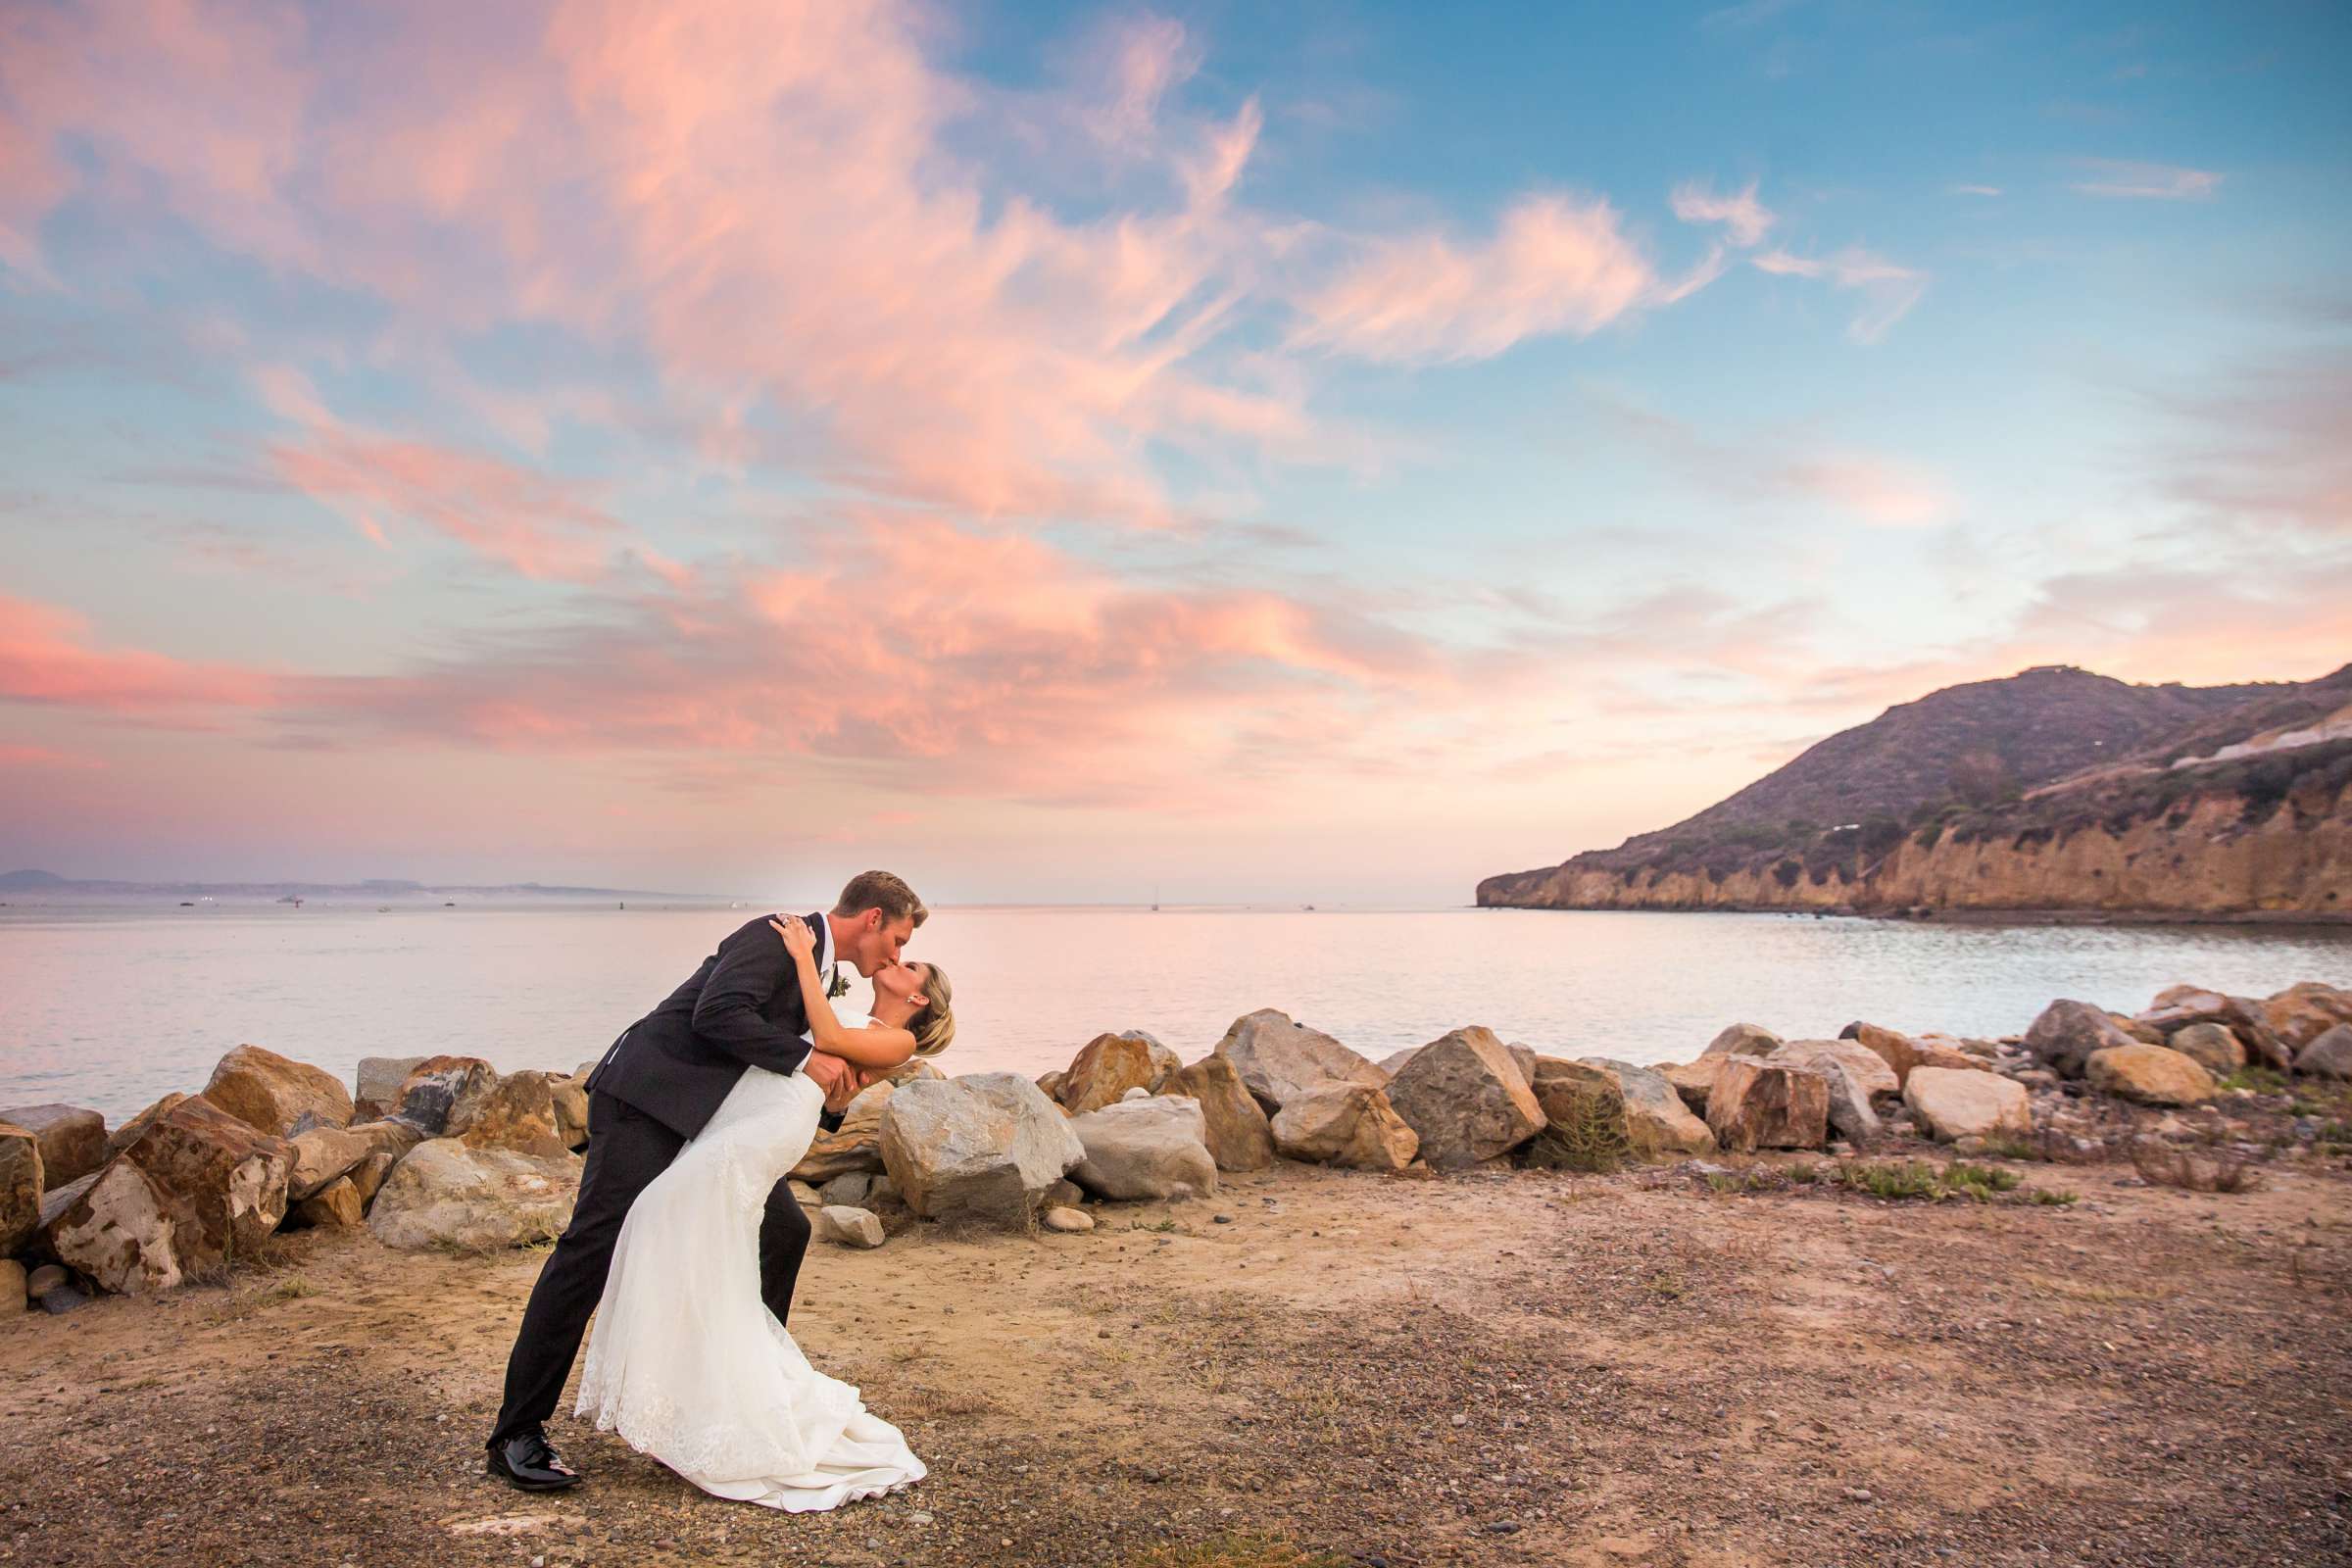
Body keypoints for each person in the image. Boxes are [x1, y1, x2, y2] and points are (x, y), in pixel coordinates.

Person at [484, 870, 927, 1493]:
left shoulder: (822, 972)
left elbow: (793, 1062)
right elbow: (717, 1014)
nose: (898, 955)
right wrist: (806, 1058)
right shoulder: (776, 937)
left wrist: (830, 1094)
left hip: (713, 1124)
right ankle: (517, 1433)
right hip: (649, 1100)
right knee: (592, 1249)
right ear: (874, 917)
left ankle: (741, 1395)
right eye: (900, 938)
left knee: (784, 1232)